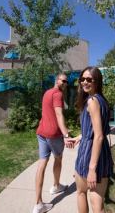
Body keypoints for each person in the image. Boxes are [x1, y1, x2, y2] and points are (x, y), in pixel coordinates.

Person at [71, 66, 114, 213]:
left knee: (82, 193)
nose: (84, 82)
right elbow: (97, 129)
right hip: (102, 152)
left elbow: (99, 135)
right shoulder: (102, 100)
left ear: (97, 81)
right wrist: (80, 136)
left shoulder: (92, 101)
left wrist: (91, 169)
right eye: (82, 79)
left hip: (90, 153)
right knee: (98, 200)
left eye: (89, 79)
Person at [33, 73, 74, 213]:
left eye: (67, 82)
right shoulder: (57, 94)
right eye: (63, 81)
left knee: (42, 163)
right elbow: (58, 114)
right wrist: (66, 135)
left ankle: (38, 204)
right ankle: (56, 186)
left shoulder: (47, 93)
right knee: (58, 158)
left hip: (41, 132)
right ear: (57, 80)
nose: (65, 83)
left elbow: (47, 112)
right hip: (53, 134)